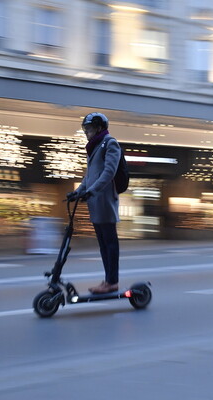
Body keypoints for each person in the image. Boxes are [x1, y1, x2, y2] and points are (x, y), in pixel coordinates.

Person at [67, 112, 122, 294]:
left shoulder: (109, 143)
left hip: (104, 201)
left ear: (99, 128)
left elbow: (108, 173)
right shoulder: (95, 146)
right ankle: (108, 280)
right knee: (103, 244)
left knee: (109, 243)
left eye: (89, 129)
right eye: (85, 130)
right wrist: (78, 192)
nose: (86, 133)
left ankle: (112, 281)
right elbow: (89, 177)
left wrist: (92, 191)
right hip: (96, 201)